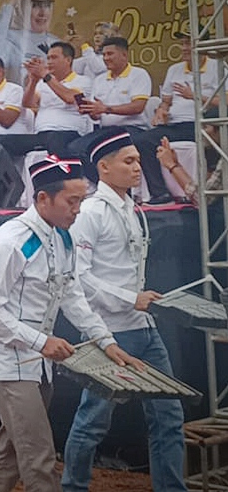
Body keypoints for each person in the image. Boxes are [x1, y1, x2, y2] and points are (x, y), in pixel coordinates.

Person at [0, 156, 141, 492]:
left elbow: (72, 295)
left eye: (81, 199)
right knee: (39, 458)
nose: (78, 209)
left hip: (37, 362)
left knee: (9, 448)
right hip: (9, 363)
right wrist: (41, 341)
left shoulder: (62, 237)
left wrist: (105, 340)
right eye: (72, 200)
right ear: (42, 199)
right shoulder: (10, 242)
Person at [62, 128, 187, 492]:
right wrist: (129, 298)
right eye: (129, 161)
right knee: (93, 420)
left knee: (169, 415)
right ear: (103, 167)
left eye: (137, 160)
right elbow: (78, 277)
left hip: (145, 329)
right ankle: (73, 487)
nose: (137, 167)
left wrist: (138, 303)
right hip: (109, 332)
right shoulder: (90, 212)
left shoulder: (131, 208)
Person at [132, 31, 219, 203]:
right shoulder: (174, 69)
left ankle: (201, 194)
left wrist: (194, 95)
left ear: (202, 45)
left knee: (209, 143)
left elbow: (224, 102)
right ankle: (160, 193)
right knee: (142, 140)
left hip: (203, 124)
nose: (184, 48)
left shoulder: (217, 67)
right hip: (175, 124)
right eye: (182, 44)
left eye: (188, 43)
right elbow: (166, 102)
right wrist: (160, 111)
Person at [22, 42, 93, 156]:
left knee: (54, 139)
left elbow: (69, 98)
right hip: (41, 134)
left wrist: (46, 76)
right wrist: (33, 81)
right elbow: (28, 103)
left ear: (68, 60)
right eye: (48, 58)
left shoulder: (83, 81)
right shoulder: (42, 83)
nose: (49, 61)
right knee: (4, 143)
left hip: (68, 133)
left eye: (54, 57)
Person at [77, 37, 151, 131]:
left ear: (124, 55)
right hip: (105, 130)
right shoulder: (99, 80)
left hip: (133, 128)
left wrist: (105, 109)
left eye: (110, 54)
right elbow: (97, 116)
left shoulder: (139, 74)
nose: (106, 58)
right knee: (76, 145)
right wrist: (92, 112)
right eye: (104, 55)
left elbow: (138, 107)